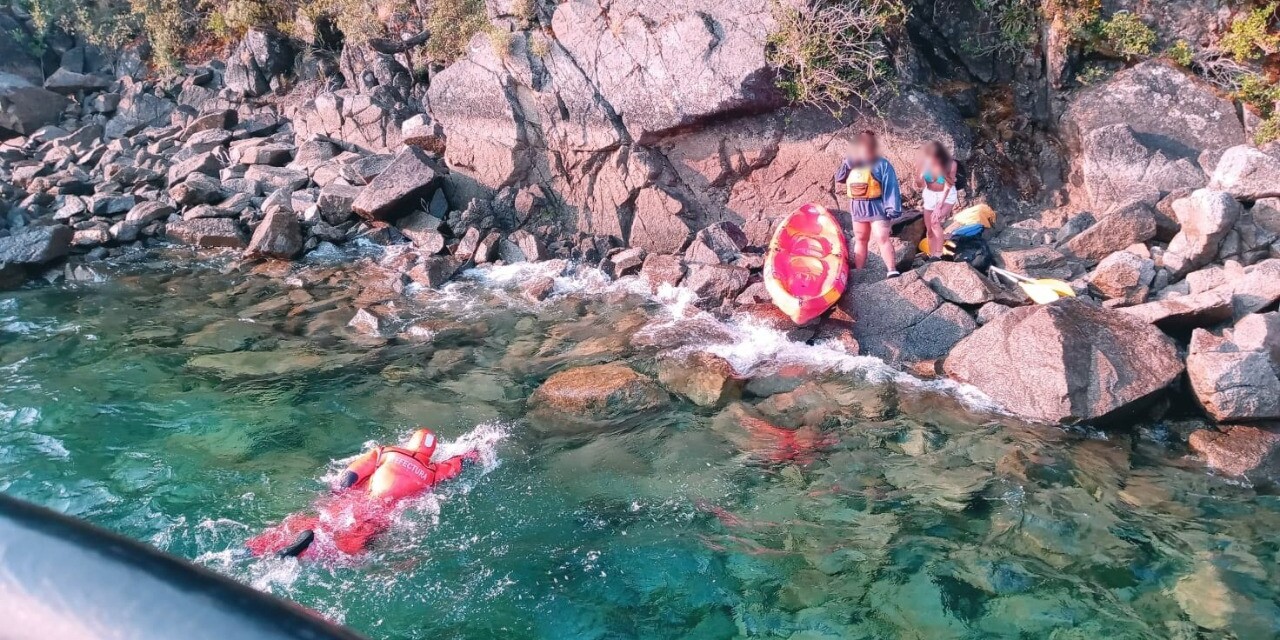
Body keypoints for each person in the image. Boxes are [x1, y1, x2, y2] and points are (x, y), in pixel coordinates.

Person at [248, 428, 479, 559]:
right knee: (351, 547)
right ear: (431, 453)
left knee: (323, 520)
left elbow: (351, 475)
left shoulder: (387, 451)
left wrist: (338, 492)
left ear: (410, 442)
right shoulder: (432, 471)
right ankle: (307, 554)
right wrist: (474, 453)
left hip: (358, 499)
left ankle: (256, 548)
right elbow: (457, 465)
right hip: (382, 513)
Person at [833, 131, 904, 277]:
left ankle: (892, 269)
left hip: (876, 206)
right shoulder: (851, 163)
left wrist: (892, 209)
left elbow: (891, 187)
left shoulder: (882, 165)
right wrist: (848, 163)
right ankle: (860, 272)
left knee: (882, 237)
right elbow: (839, 178)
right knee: (860, 239)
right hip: (858, 207)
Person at [914, 141, 959, 260]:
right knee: (929, 229)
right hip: (930, 195)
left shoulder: (951, 164)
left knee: (935, 222)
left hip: (946, 195)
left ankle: (939, 254)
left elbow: (949, 184)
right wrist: (920, 176)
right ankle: (932, 254)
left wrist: (939, 206)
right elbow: (919, 185)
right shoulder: (924, 163)